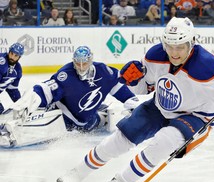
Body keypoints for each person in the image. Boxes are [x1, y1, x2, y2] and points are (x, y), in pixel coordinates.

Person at [56, 17, 214, 182]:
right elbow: (145, 88)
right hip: (160, 106)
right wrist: (134, 81)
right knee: (120, 139)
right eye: (169, 46)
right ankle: (78, 172)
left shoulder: (208, 67)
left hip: (195, 116)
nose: (174, 52)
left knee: (164, 141)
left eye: (180, 47)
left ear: (191, 43)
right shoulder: (155, 56)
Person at [2, 46, 139, 146]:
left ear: (90, 61)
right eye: (77, 63)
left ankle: (102, 113)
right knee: (51, 125)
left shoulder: (104, 72)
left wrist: (133, 103)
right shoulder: (65, 74)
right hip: (63, 115)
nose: (80, 67)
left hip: (86, 120)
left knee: (92, 123)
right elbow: (46, 90)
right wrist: (33, 98)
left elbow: (118, 86)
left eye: (84, 63)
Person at [0, 42, 24, 114]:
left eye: (16, 55)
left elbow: (12, 90)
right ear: (9, 52)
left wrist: (21, 104)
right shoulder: (1, 60)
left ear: (19, 57)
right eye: (11, 53)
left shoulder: (17, 70)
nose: (12, 57)